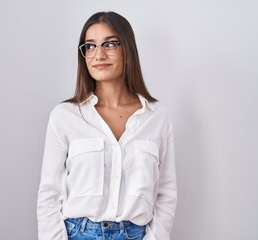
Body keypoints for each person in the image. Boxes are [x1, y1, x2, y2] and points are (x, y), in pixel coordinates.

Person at [37, 11, 177, 240]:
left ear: (128, 50)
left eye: (110, 44)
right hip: (78, 234)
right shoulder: (64, 116)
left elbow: (166, 193)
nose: (98, 54)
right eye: (90, 46)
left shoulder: (157, 116)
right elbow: (49, 195)